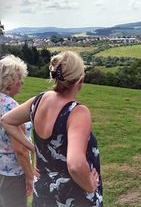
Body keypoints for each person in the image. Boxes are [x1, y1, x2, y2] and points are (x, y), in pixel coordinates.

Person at [1, 51, 102, 207]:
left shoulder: (39, 100)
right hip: (74, 196)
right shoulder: (77, 112)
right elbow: (75, 164)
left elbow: (7, 121)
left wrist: (33, 147)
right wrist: (89, 186)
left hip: (43, 194)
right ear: (80, 80)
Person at [0, 55, 33, 207]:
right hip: (12, 173)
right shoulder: (11, 107)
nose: (22, 81)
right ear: (9, 81)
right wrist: (29, 176)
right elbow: (20, 149)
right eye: (19, 77)